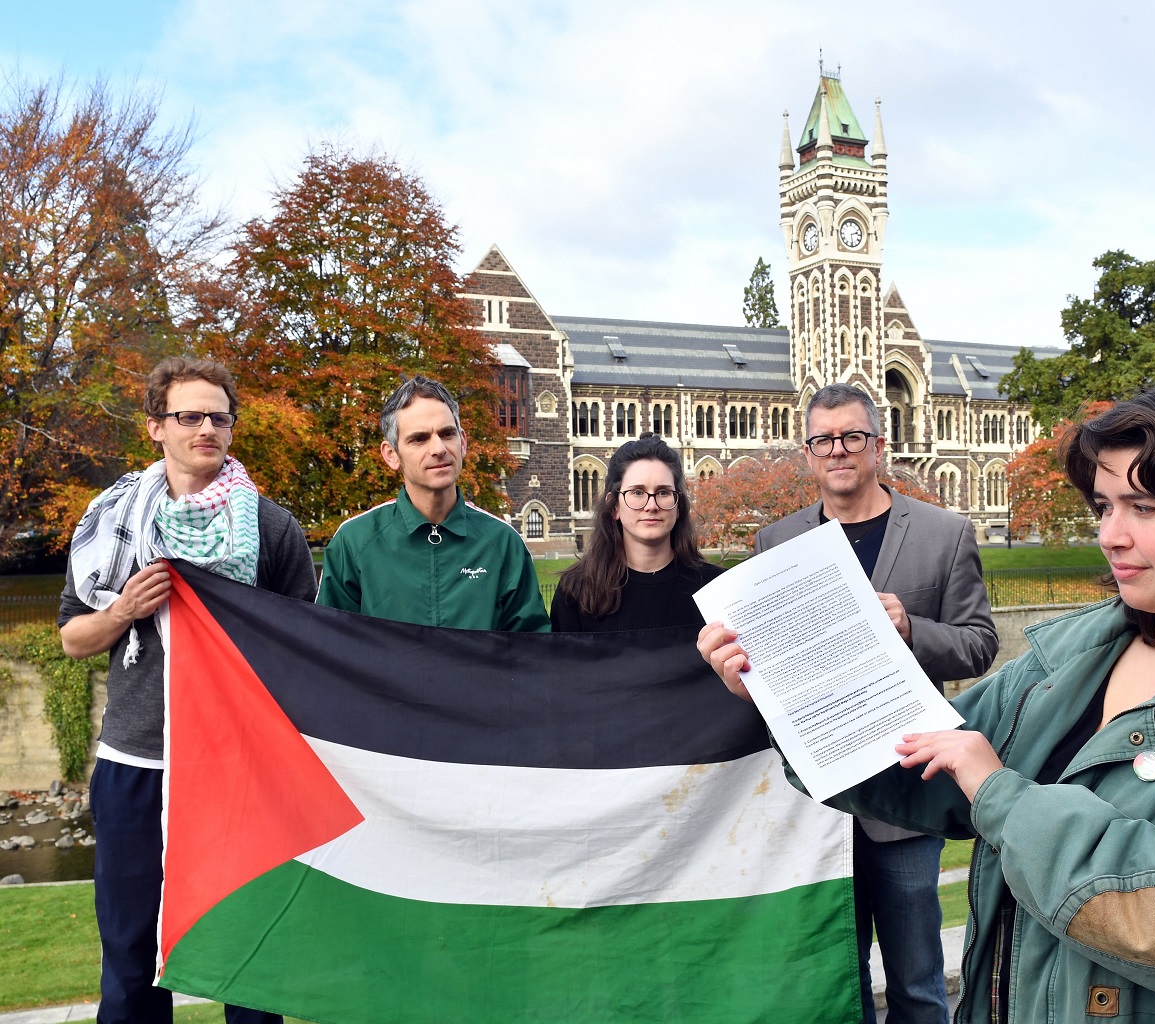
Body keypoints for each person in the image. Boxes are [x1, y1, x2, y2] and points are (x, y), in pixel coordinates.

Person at [711, 373, 1155, 1023]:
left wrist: (1000, 792)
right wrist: (789, 690)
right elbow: (918, 757)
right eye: (1104, 505)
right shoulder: (1076, 653)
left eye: (1145, 506)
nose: (1109, 534)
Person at [699, 382, 998, 1024]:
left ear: (878, 445)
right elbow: (773, 677)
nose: (838, 450)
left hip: (907, 797)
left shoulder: (944, 533)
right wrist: (739, 677)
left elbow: (978, 647)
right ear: (807, 454)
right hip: (815, 806)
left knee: (919, 985)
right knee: (840, 982)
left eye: (852, 437)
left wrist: (913, 629)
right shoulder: (775, 544)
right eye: (823, 440)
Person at [58, 357, 317, 1024]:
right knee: (130, 954)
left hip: (241, 770)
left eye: (219, 416)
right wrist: (122, 612)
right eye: (189, 416)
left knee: (251, 957)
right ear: (155, 427)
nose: (207, 427)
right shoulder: (113, 523)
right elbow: (71, 639)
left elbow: (306, 650)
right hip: (137, 765)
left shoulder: (271, 527)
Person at [316, 376, 549, 632]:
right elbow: (329, 647)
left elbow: (532, 653)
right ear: (391, 454)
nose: (438, 448)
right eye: (419, 439)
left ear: (463, 442)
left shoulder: (502, 543)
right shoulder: (354, 542)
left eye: (447, 434)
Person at [551, 433, 722, 631]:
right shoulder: (576, 591)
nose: (651, 505)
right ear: (614, 506)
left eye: (663, 492)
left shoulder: (716, 589)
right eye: (637, 492)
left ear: (678, 507)